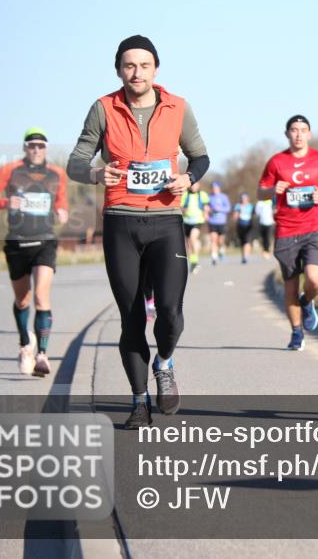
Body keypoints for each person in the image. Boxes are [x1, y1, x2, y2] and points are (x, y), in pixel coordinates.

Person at [67, 34, 209, 429]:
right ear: (119, 70)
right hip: (120, 221)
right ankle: (139, 402)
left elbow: (200, 156)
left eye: (144, 65)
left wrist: (188, 179)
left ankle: (164, 362)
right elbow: (75, 162)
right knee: (131, 319)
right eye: (129, 66)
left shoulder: (178, 107)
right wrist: (96, 173)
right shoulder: (103, 108)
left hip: (166, 222)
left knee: (170, 313)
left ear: (155, 69)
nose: (136, 72)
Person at [0, 127, 69, 377]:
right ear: (25, 148)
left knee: (41, 296)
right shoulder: (10, 170)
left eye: (41, 145)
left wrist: (62, 211)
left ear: (46, 149)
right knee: (23, 300)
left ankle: (42, 354)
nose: (36, 149)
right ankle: (24, 343)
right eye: (32, 145)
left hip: (45, 242)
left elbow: (61, 200)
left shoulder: (56, 173)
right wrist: (6, 202)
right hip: (17, 242)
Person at [258, 115, 318, 350]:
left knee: (314, 281)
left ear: (310, 134)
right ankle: (296, 332)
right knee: (290, 285)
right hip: (285, 230)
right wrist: (273, 189)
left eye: (303, 130)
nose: (299, 134)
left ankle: (307, 301)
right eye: (294, 130)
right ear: (287, 134)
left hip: (313, 228)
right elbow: (260, 192)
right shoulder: (276, 162)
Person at [181, 180, 209, 273]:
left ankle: (195, 260)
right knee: (188, 243)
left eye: (195, 184)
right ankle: (192, 262)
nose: (193, 186)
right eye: (192, 185)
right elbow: (181, 206)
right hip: (187, 221)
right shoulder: (185, 194)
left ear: (199, 185)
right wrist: (184, 210)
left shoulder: (202, 194)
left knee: (193, 239)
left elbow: (206, 207)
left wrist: (206, 214)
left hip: (198, 220)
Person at [206, 181, 230, 264]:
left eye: (216, 188)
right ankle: (214, 256)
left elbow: (228, 208)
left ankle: (221, 250)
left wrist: (220, 209)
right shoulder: (209, 197)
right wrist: (207, 212)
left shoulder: (224, 197)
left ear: (219, 188)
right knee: (213, 239)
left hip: (221, 221)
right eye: (213, 188)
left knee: (220, 240)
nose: (214, 189)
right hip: (212, 221)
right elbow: (206, 207)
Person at [232, 192, 255, 263]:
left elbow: (255, 215)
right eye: (242, 198)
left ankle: (246, 257)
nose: (243, 200)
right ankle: (243, 256)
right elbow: (234, 217)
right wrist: (237, 214)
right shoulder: (238, 206)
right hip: (240, 225)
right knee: (242, 242)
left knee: (247, 241)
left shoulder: (251, 206)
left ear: (248, 199)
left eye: (245, 198)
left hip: (248, 225)